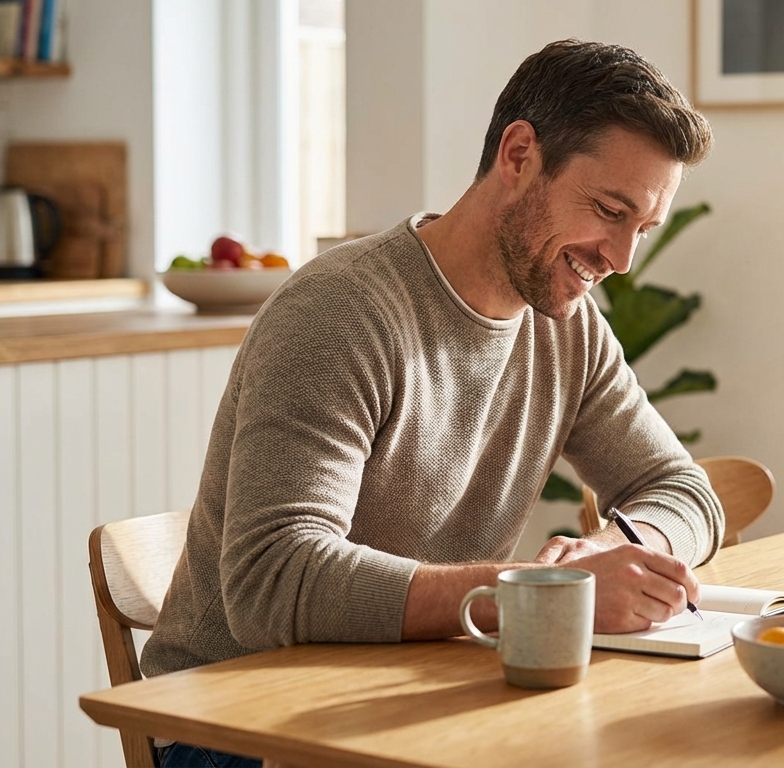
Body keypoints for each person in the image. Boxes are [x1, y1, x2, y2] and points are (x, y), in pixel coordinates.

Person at [141, 39, 722, 767]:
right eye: (609, 210)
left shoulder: (565, 330)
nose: (621, 257)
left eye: (642, 228)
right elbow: (272, 581)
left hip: (410, 694)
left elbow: (684, 491)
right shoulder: (341, 311)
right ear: (518, 157)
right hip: (236, 725)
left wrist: (618, 551)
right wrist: (540, 591)